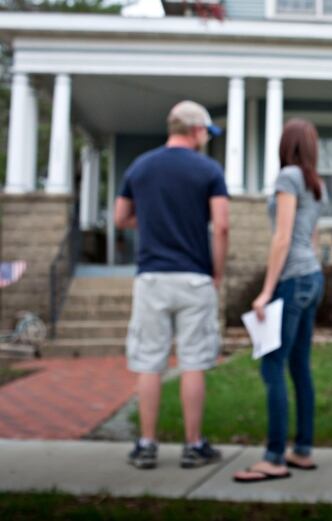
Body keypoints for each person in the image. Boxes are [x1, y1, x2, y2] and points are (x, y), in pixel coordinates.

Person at [115, 100, 229, 470]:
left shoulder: (141, 167)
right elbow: (222, 226)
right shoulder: (209, 170)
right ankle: (193, 445)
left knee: (150, 362)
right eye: (205, 134)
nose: (205, 141)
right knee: (193, 361)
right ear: (196, 131)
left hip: (151, 277)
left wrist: (148, 225)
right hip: (194, 276)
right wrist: (217, 271)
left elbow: (120, 217)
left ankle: (146, 444)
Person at [233, 118, 325, 483]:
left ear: (286, 146)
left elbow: (282, 238)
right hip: (313, 276)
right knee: (299, 366)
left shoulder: (288, 177)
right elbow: (313, 237)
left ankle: (274, 457)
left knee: (273, 366)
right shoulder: (317, 184)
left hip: (292, 279)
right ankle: (301, 450)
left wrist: (267, 291)